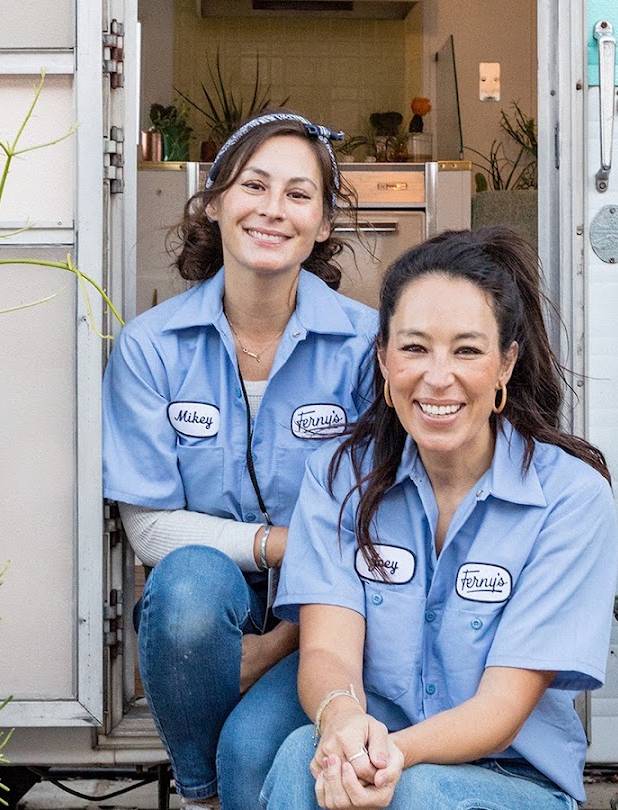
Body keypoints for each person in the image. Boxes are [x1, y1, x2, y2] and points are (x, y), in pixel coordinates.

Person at [260, 226, 617, 809]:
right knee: (303, 759)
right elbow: (328, 651)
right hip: (378, 749)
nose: (437, 375)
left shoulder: (570, 499)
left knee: (414, 794)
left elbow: (501, 711)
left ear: (506, 365)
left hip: (514, 780)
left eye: (468, 350)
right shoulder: (338, 475)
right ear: (382, 358)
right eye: (414, 347)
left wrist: (390, 757)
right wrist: (344, 723)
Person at [101, 111, 380, 810]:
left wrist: (284, 643)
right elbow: (150, 530)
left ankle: (230, 777)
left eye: (298, 194)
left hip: (327, 610)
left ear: (321, 223)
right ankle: (199, 796)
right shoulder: (151, 346)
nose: (272, 209)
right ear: (216, 201)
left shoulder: (366, 344)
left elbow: (376, 522)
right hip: (205, 602)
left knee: (251, 752)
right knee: (189, 584)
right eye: (255, 185)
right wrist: (279, 543)